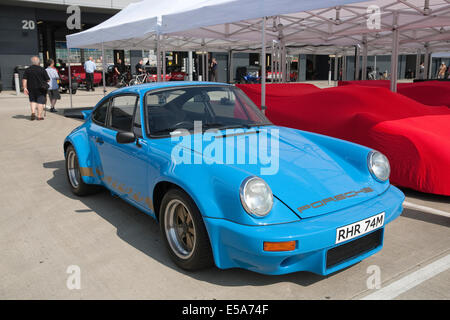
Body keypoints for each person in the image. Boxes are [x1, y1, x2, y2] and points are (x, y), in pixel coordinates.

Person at [22, 56, 49, 121]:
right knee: (40, 102)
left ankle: (33, 112)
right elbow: (48, 80)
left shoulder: (28, 69)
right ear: (39, 62)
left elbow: (24, 79)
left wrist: (25, 88)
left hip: (31, 88)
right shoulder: (42, 69)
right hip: (41, 88)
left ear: (32, 62)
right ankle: (39, 116)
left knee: (33, 100)